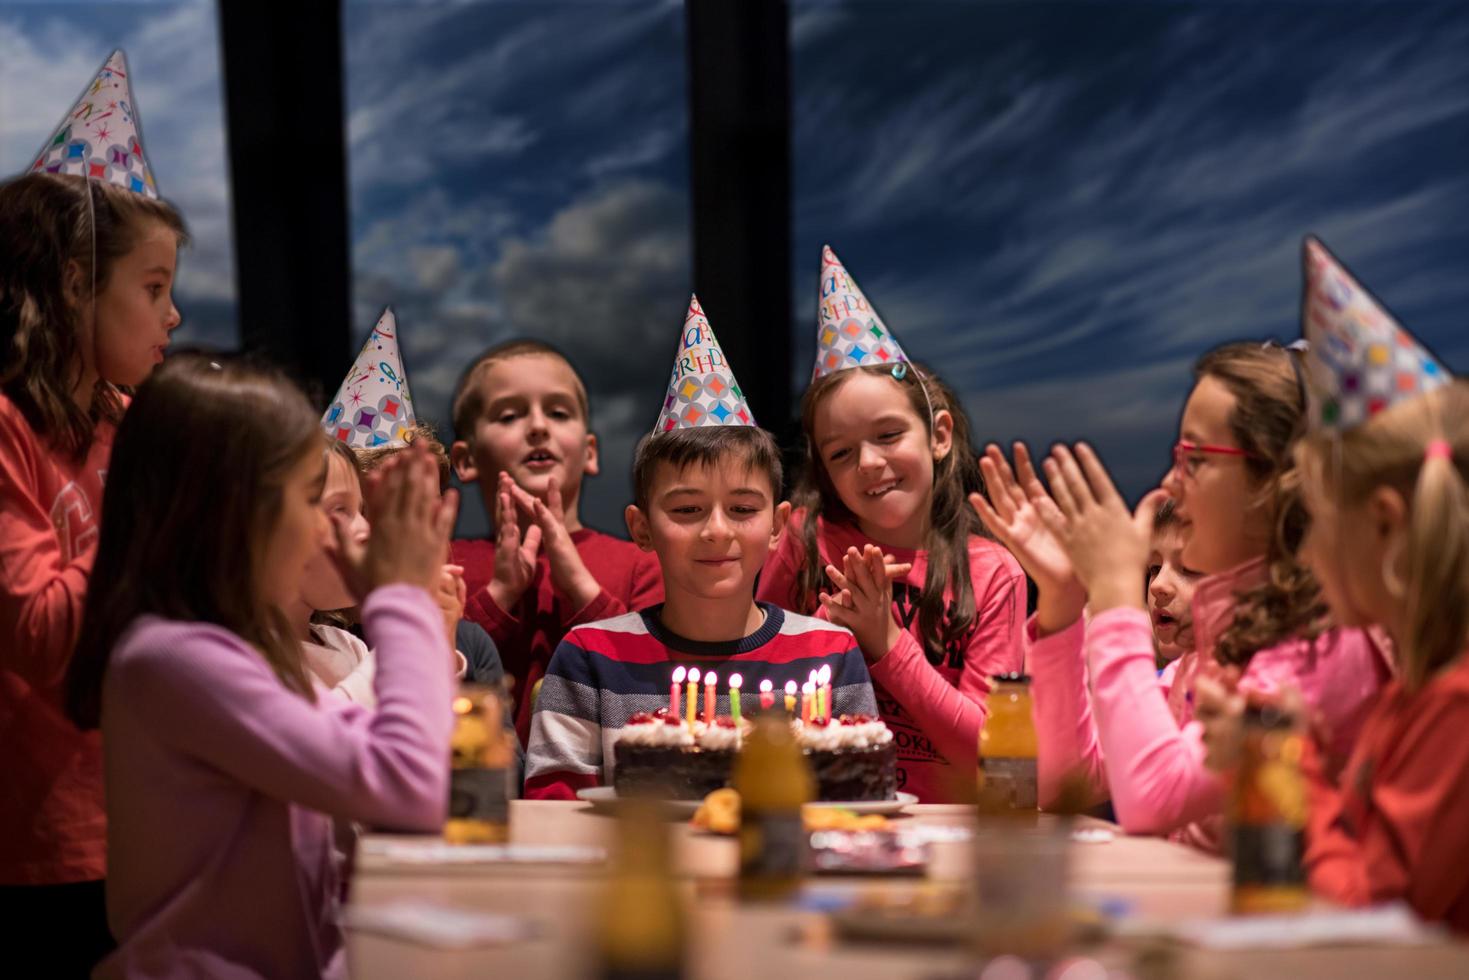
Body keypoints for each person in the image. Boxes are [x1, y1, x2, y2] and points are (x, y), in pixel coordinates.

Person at [64, 354, 458, 976]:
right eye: (311, 500)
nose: (335, 533)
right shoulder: (173, 659)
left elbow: (369, 755)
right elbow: (405, 785)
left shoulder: (237, 650)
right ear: (229, 511)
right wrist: (402, 601)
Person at [978, 341, 1389, 850]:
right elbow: (1067, 782)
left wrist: (1116, 597)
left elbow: (1153, 799)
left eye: (1195, 458)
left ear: (1277, 480)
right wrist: (1062, 603)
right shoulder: (1194, 664)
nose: (1172, 481)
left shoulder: (1323, 641)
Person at [525, 298, 877, 799]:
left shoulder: (829, 654)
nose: (716, 531)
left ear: (778, 525)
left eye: (742, 509)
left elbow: (857, 801)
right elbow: (553, 812)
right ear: (642, 528)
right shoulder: (589, 658)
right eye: (687, 510)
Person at [0, 50, 186, 971]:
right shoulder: (5, 427)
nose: (175, 315)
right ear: (75, 284)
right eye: (153, 289)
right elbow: (36, 631)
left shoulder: (123, 421)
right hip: (40, 841)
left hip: (147, 807)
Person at [759, 247, 1024, 802]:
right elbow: (755, 681)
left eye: (887, 435)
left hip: (944, 830)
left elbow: (987, 748)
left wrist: (885, 642)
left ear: (939, 435)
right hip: (814, 813)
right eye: (841, 453)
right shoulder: (806, 544)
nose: (869, 464)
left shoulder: (993, 573)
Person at [450, 338, 663, 741]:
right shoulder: (449, 563)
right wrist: (498, 596)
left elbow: (652, 690)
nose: (537, 426)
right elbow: (429, 680)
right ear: (466, 460)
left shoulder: (640, 562)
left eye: (558, 412)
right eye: (509, 415)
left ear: (590, 452)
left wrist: (583, 591)